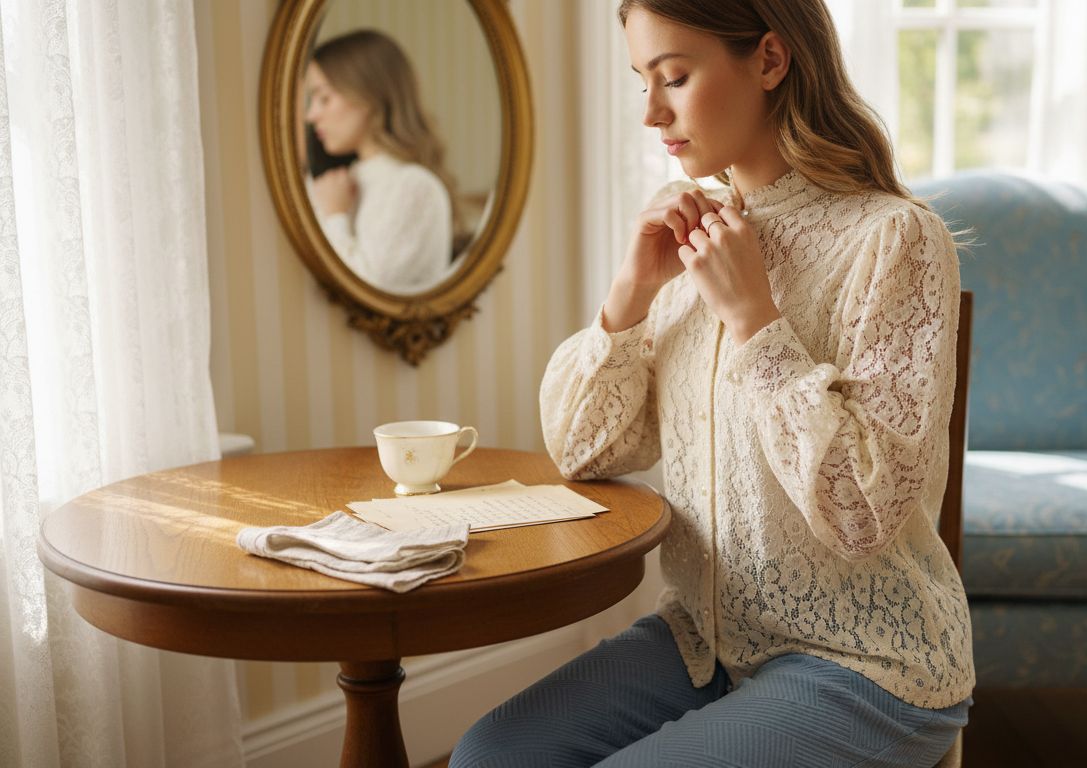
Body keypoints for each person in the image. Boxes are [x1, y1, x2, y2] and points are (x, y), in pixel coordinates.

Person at [450, 0, 973, 765]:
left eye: (675, 77)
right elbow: (584, 451)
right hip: (705, 644)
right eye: (642, 83)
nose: (652, 113)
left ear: (769, 59)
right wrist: (629, 296)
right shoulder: (693, 241)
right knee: (488, 754)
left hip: (868, 665)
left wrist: (757, 321)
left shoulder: (894, 239)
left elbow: (863, 511)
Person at [304, 29, 456, 294]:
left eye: (324, 98)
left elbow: (372, 295)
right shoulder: (335, 184)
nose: (311, 115)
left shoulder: (414, 187)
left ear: (368, 97)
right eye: (312, 100)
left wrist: (336, 217)